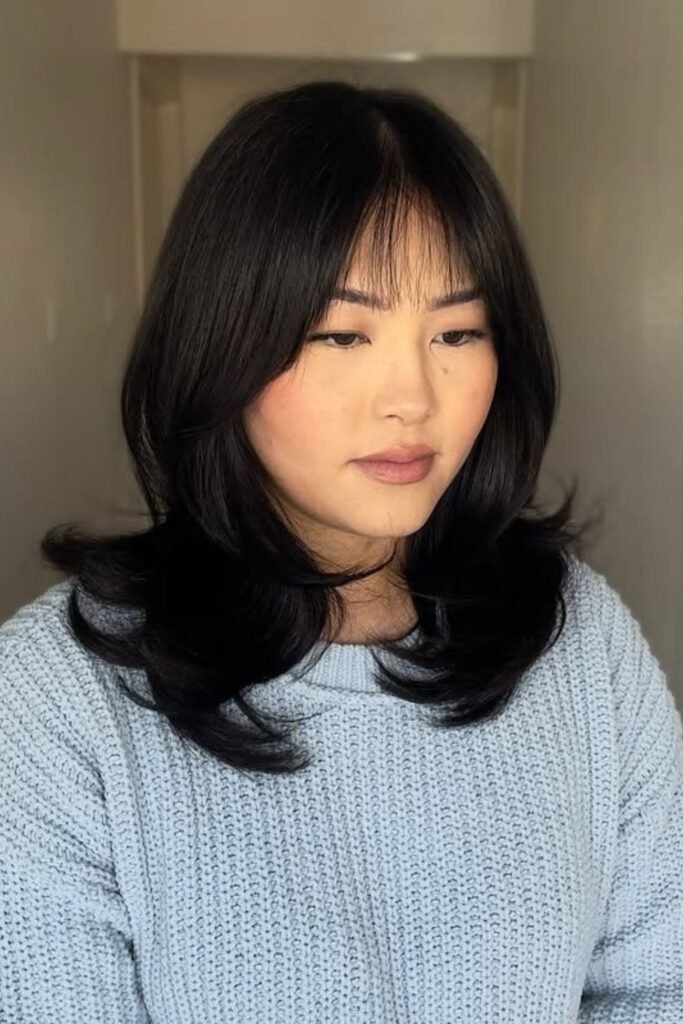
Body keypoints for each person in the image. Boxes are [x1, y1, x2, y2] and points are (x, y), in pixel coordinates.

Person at [1, 79, 682, 1022]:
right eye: (340, 333)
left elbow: (657, 985)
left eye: (456, 330)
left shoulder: (579, 638)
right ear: (219, 342)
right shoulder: (54, 695)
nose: (411, 397)